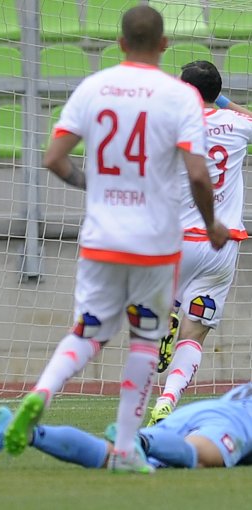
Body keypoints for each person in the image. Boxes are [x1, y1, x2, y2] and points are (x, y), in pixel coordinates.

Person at [3, 5, 229, 474]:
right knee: (146, 341)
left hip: (101, 237)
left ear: (121, 43)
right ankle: (126, 448)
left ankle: (42, 392)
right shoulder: (178, 97)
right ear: (164, 44)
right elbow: (198, 175)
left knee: (87, 331)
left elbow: (53, 159)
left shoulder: (93, 87)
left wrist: (95, 186)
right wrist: (211, 225)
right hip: (155, 243)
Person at [148, 61, 252, 425]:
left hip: (176, 239)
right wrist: (223, 101)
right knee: (196, 334)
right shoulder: (240, 125)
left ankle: (165, 318)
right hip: (222, 244)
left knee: (149, 304)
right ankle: (167, 402)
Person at [0, 381, 252, 471]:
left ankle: (28, 433)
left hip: (204, 409)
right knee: (203, 456)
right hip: (236, 422)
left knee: (116, 458)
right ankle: (138, 443)